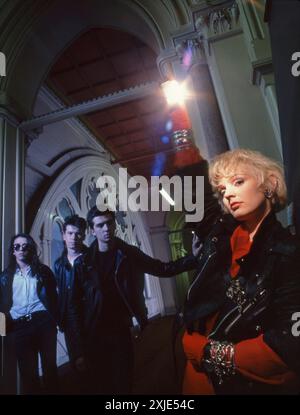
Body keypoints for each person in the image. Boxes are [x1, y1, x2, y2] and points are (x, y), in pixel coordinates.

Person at [177, 148, 300, 394]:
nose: (229, 194)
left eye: (238, 182)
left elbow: (290, 341)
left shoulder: (288, 253)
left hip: (247, 382)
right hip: (199, 379)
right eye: (222, 191)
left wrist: (208, 353)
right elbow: (197, 197)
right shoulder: (222, 235)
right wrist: (185, 149)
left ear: (269, 185)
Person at [72, 206, 200, 394]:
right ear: (92, 230)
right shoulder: (83, 263)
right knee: (100, 384)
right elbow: (74, 306)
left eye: (109, 223)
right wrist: (78, 348)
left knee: (123, 382)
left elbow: (162, 269)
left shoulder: (128, 253)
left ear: (115, 224)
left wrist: (192, 258)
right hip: (93, 332)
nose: (106, 229)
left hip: (120, 330)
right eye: (100, 225)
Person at [0, 233, 58, 394]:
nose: (21, 249)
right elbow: (2, 306)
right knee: (29, 375)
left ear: (31, 249)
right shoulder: (5, 277)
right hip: (19, 327)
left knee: (50, 370)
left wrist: (56, 321)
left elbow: (53, 297)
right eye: (17, 246)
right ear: (12, 251)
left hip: (44, 323)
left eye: (25, 246)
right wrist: (3, 332)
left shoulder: (43, 271)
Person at [54, 215, 87, 372]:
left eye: (78, 233)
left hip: (91, 320)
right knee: (78, 368)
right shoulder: (59, 264)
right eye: (70, 233)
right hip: (69, 322)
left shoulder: (92, 259)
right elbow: (61, 295)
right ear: (63, 235)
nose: (74, 238)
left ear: (84, 235)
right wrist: (61, 319)